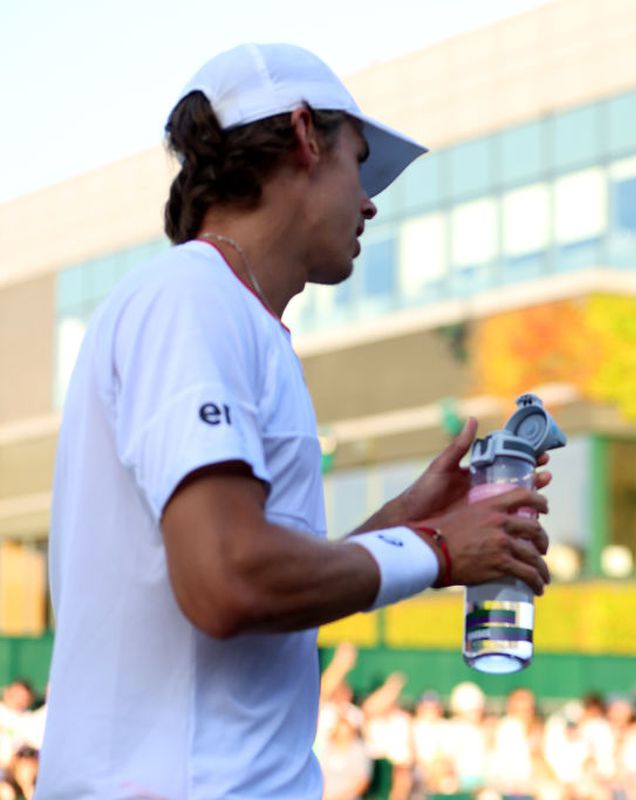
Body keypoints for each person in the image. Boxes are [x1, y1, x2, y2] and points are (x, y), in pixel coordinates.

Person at [37, 43, 552, 798]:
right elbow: (227, 580)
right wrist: (436, 548)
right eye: (360, 164)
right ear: (306, 134)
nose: (370, 203)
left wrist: (406, 523)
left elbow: (253, 595)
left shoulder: (221, 308)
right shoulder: (192, 298)